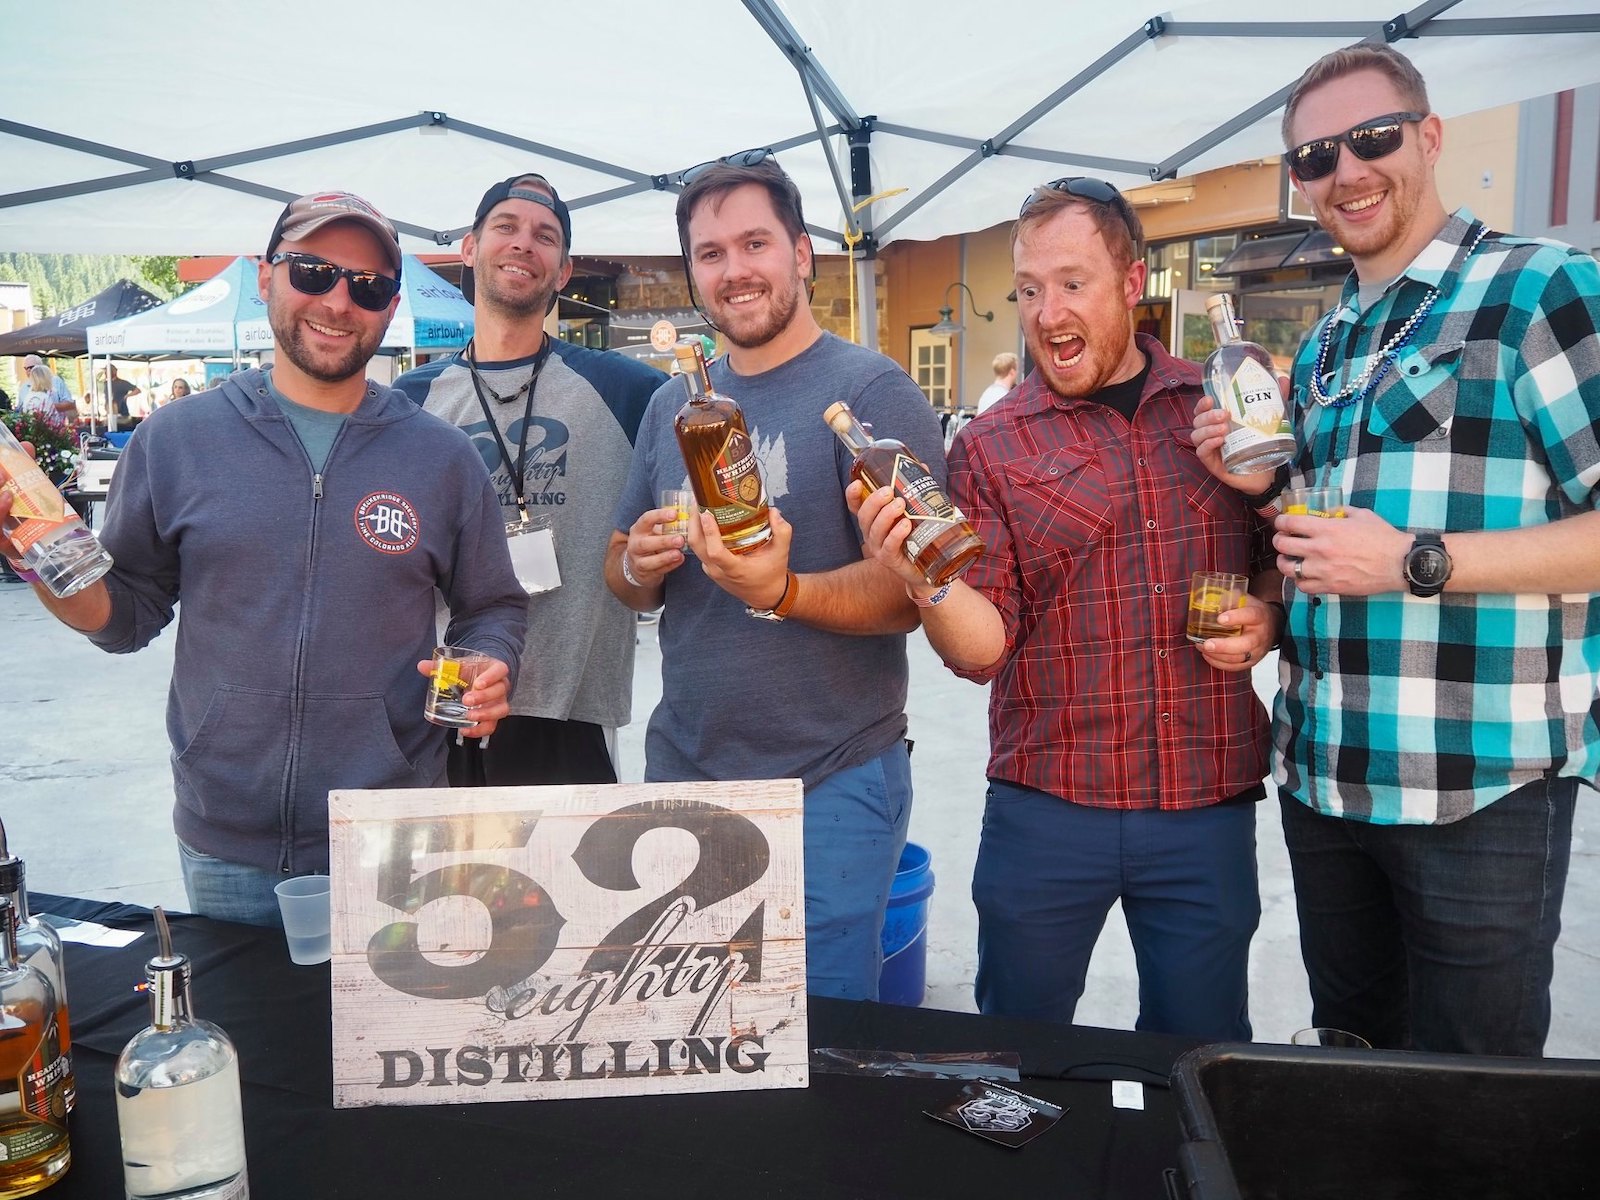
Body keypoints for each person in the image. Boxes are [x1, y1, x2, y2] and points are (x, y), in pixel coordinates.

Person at [1192, 44, 1600, 1057]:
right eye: (1315, 157)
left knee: (1472, 1094)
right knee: (1354, 1065)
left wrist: (1420, 562)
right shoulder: (1330, 339)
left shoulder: (1539, 289)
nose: (1346, 171)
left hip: (1478, 782)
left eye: (1371, 139)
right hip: (1324, 778)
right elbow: (1324, 538)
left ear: (1427, 138)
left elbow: (1393, 552)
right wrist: (1272, 592)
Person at [0, 190, 528, 927]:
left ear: (391, 305)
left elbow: (493, 603)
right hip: (227, 840)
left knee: (383, 1041)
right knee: (252, 1038)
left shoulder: (440, 456)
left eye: (368, 286)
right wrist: (37, 557)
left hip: (393, 829)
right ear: (266, 274)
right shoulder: (178, 440)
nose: (339, 302)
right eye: (313, 271)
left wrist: (486, 660)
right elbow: (123, 618)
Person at [854, 178, 1278, 1039]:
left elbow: (1286, 550)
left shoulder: (1217, 401)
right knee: (1017, 1055)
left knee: (1199, 1058)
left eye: (1072, 283)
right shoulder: (992, 443)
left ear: (1130, 282)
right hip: (1049, 807)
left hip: (1203, 800)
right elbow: (982, 653)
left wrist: (1269, 615)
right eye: (1028, 289)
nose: (1047, 313)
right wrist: (923, 576)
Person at [606, 150, 944, 1001]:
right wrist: (639, 565)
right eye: (711, 254)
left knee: (822, 1034)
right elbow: (620, 574)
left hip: (831, 777)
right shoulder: (669, 405)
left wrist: (783, 590)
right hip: (687, 768)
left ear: (803, 253)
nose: (735, 271)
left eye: (755, 244)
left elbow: (909, 594)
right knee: (688, 1024)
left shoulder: (871, 391)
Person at [395, 173, 660, 786]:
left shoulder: (628, 391)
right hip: (444, 700)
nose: (523, 244)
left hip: (573, 712)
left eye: (545, 237)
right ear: (469, 248)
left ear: (563, 271)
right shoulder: (409, 401)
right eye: (505, 228)